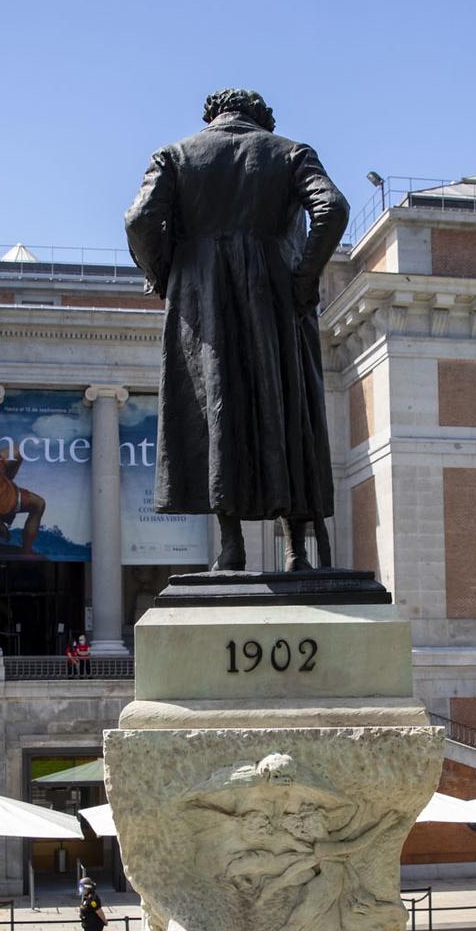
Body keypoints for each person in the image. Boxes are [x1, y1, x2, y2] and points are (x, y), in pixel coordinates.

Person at [124, 89, 348, 572]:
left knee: (216, 411)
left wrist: (167, 274)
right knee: (286, 409)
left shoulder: (176, 156)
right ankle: (295, 553)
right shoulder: (289, 152)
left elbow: (140, 219)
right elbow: (332, 208)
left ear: (212, 117)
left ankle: (231, 548)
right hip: (274, 298)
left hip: (202, 301)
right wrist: (303, 278)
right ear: (261, 119)